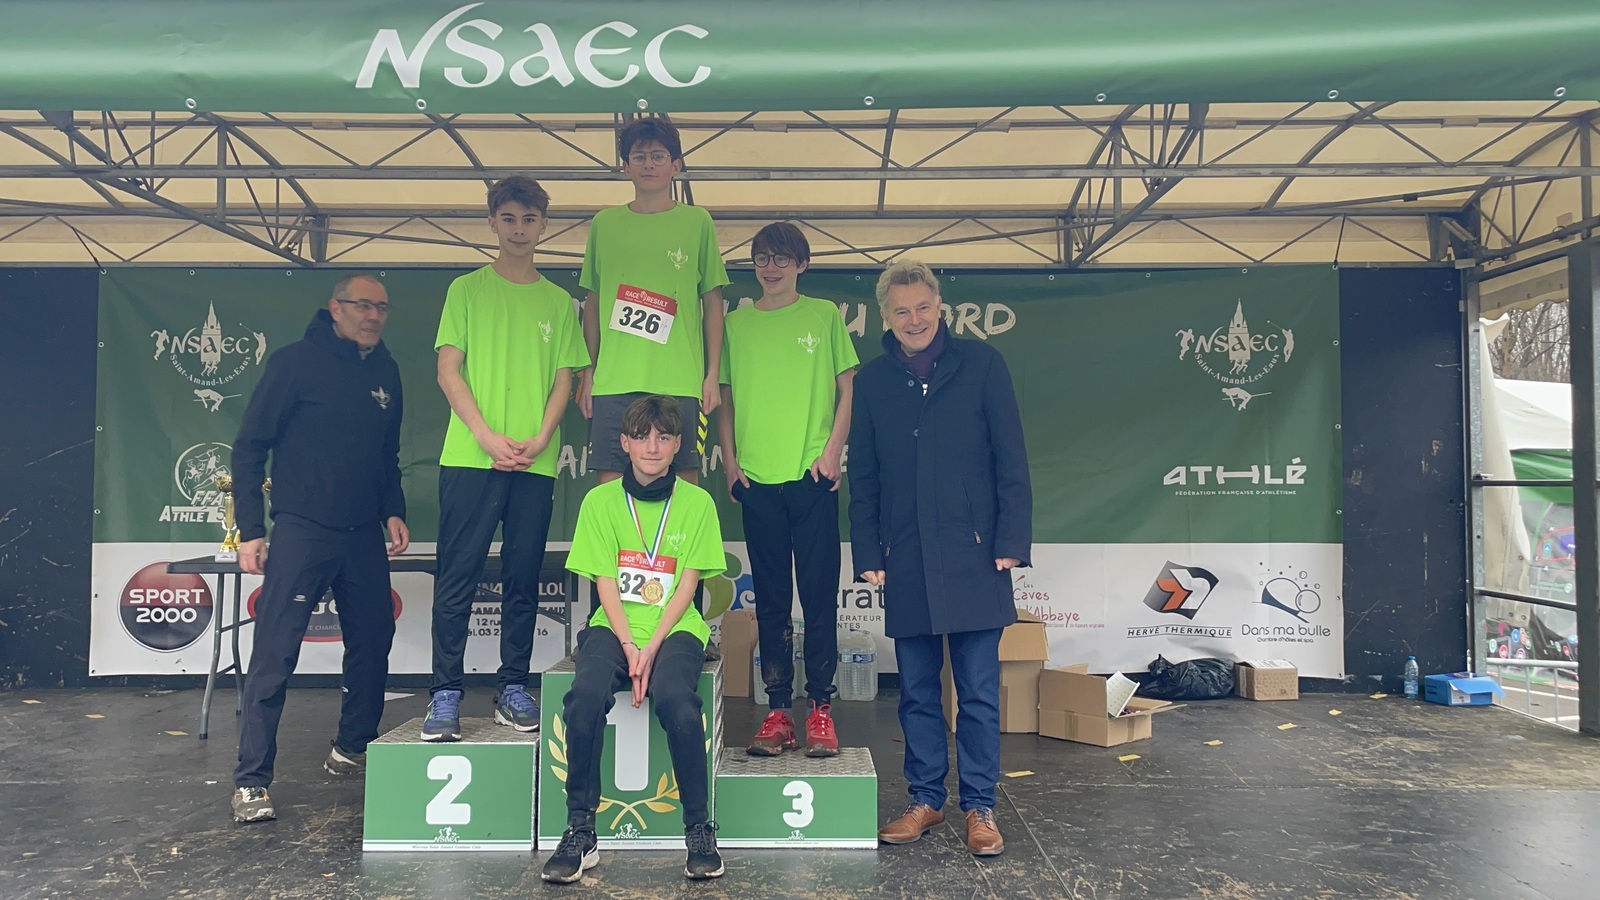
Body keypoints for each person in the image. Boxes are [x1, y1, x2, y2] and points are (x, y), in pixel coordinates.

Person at [847, 259, 1032, 857]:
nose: (914, 319)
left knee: (977, 692)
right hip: (905, 555)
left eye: (923, 307)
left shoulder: (983, 365)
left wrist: (1010, 541)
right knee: (918, 693)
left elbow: (1011, 459)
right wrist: (869, 549)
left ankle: (980, 806)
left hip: (976, 554)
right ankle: (925, 800)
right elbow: (864, 476)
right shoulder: (873, 381)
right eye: (901, 310)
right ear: (885, 317)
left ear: (940, 307)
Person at [227, 273, 410, 824]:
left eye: (382, 307)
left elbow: (387, 455)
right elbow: (248, 447)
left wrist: (393, 509)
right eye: (362, 305)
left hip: (363, 535)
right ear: (335, 308)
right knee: (276, 652)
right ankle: (252, 781)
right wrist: (251, 530)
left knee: (374, 640)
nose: (373, 315)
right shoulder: (293, 364)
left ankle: (353, 748)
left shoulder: (387, 372)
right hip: (302, 530)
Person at [423, 176, 590, 742]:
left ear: (544, 226)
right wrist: (486, 435)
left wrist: (542, 438)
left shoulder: (558, 301)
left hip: (534, 462)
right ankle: (445, 693)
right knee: (458, 576)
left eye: (530, 219)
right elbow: (448, 370)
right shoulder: (466, 290)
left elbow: (565, 379)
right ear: (492, 222)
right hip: (471, 458)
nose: (520, 229)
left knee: (523, 578)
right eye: (510, 218)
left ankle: (513, 687)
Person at [541, 396, 726, 883]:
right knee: (583, 698)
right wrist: (629, 647)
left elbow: (688, 587)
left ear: (678, 445)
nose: (652, 447)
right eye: (642, 437)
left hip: (675, 627)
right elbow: (605, 583)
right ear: (624, 443)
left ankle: (699, 831)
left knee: (678, 701)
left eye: (663, 437)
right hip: (614, 626)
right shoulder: (599, 502)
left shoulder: (698, 503)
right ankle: (580, 833)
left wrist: (651, 647)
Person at [718, 222, 858, 757]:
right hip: (756, 481)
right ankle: (778, 711)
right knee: (772, 601)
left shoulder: (823, 316)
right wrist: (730, 461)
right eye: (762, 258)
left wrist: (832, 451)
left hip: (811, 477)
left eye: (781, 258)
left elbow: (848, 388)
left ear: (802, 264)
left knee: (819, 598)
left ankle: (820, 709)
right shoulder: (735, 324)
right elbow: (726, 398)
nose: (770, 268)